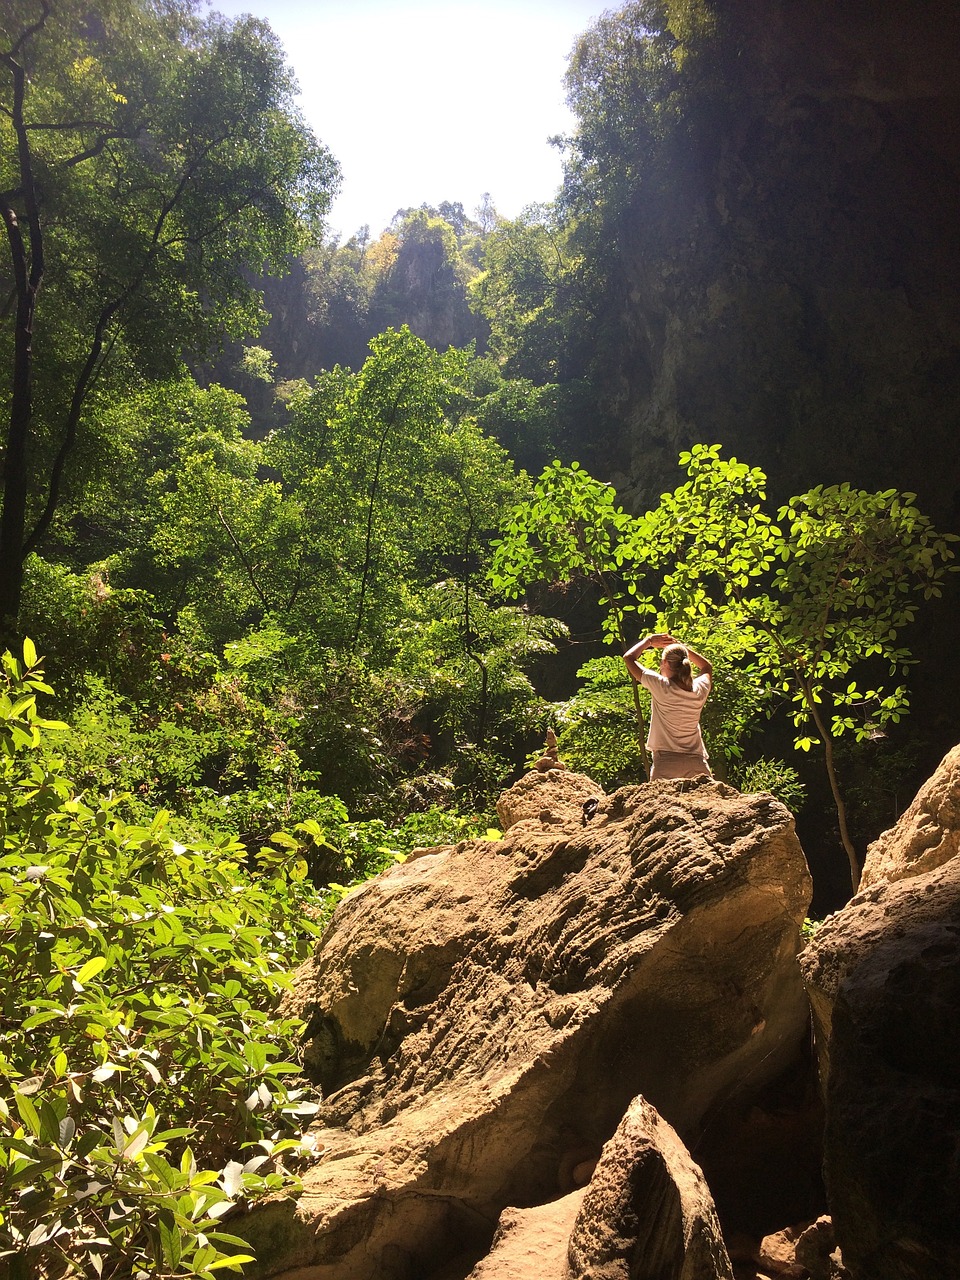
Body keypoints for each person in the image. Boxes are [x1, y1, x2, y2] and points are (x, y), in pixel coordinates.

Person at [623, 632, 713, 780]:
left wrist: (649, 641)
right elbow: (706, 667)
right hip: (697, 763)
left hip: (666, 763)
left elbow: (629, 658)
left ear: (665, 663)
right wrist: (681, 647)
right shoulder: (699, 689)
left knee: (656, 802)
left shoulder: (661, 686)